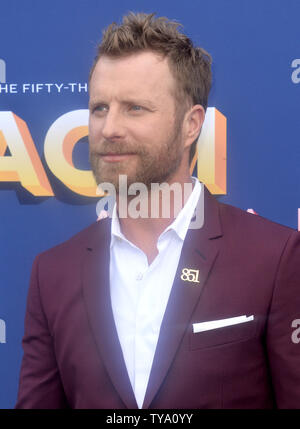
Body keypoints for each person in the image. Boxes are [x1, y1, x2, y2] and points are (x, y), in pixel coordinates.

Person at [16, 12, 300, 409]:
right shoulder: (52, 274)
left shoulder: (276, 258)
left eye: (134, 108)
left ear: (191, 125)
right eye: (99, 108)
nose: (108, 128)